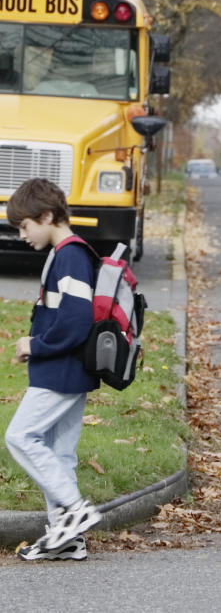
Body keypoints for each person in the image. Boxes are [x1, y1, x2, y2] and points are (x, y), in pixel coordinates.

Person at [4, 178, 103, 561]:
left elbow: (76, 321)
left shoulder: (70, 255)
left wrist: (36, 345)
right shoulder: (65, 254)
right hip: (64, 368)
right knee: (60, 454)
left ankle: (75, 510)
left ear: (47, 216)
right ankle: (67, 538)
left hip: (61, 370)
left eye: (25, 225)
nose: (22, 234)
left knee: (21, 437)